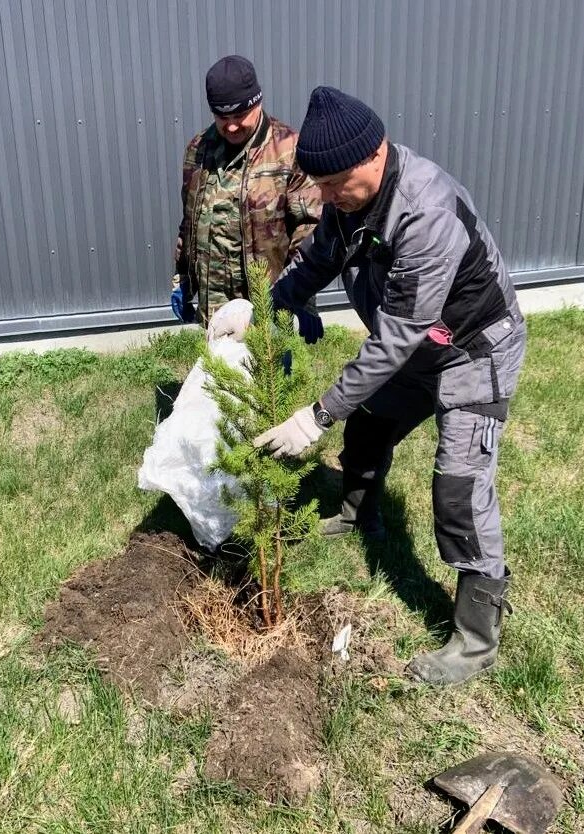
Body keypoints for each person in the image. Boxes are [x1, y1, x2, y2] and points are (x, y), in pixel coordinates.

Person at [213, 86, 526, 686]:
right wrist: (263, 309)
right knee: (370, 423)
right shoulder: (348, 199)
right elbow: (318, 262)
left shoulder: (425, 211)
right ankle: (360, 516)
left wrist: (315, 415)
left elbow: (395, 340)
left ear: (375, 155)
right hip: (418, 343)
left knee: (459, 484)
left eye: (334, 186)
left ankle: (477, 637)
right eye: (320, 185)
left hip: (473, 348)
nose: (325, 199)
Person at [171, 55, 323, 343]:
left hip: (269, 304)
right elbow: (188, 223)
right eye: (221, 117)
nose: (230, 126)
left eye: (239, 115)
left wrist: (304, 300)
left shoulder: (289, 151)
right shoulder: (198, 150)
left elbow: (308, 234)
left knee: (269, 383)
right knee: (220, 383)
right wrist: (183, 279)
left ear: (258, 102)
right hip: (214, 306)